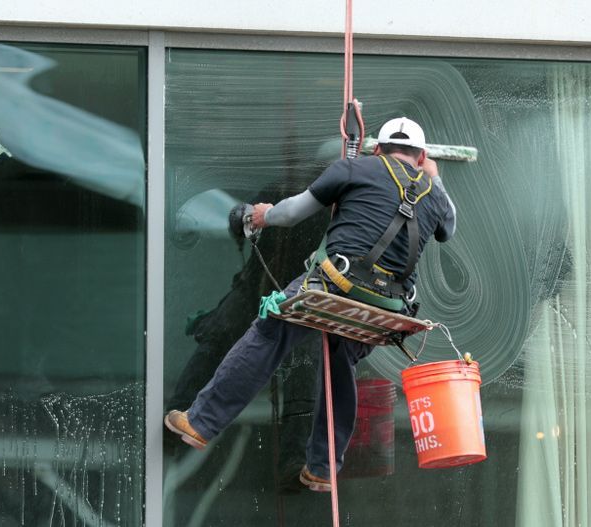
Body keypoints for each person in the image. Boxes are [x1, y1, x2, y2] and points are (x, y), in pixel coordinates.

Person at [164, 117, 456, 492]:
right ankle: (323, 466)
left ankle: (201, 422)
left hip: (336, 285)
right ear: (422, 157)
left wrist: (260, 215)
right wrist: (435, 177)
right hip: (389, 307)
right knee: (340, 360)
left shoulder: (353, 169)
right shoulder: (434, 194)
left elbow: (289, 214)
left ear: (378, 150)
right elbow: (449, 228)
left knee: (269, 333)